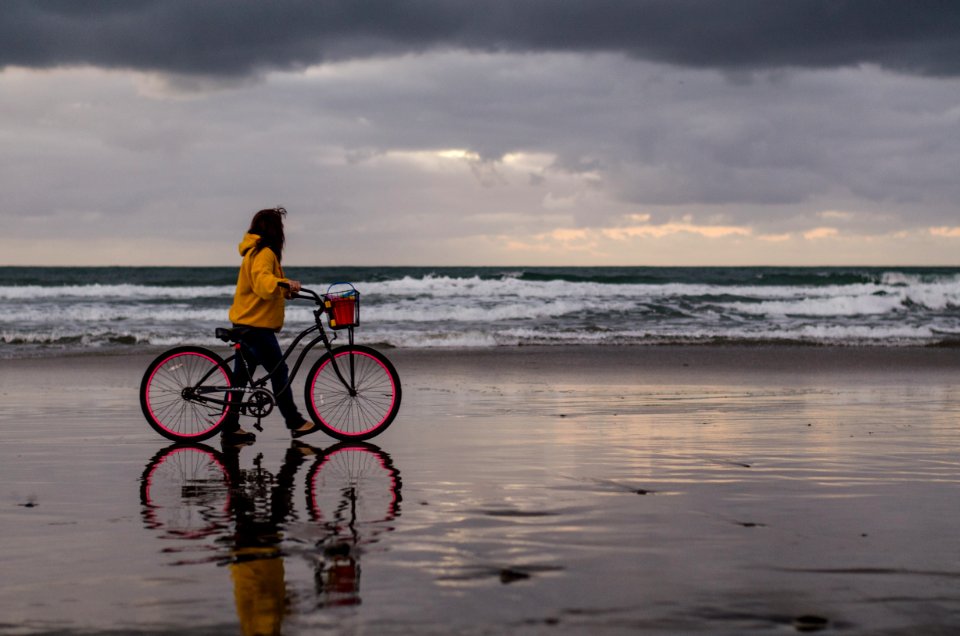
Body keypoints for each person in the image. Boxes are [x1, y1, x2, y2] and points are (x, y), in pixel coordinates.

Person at [223, 207, 318, 444]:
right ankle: (295, 422)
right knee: (279, 371)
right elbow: (263, 281)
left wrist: (286, 289)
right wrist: (285, 282)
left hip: (246, 320)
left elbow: (265, 282)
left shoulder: (255, 251)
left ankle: (230, 427)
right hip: (255, 326)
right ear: (276, 231)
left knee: (240, 380)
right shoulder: (264, 252)